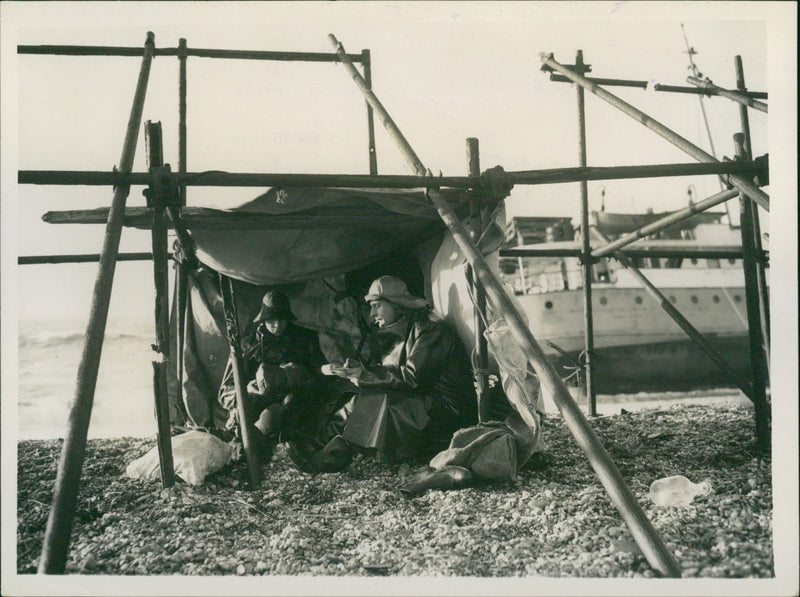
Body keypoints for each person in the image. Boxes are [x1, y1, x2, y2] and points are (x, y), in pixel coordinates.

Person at [289, 275, 478, 473]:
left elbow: (414, 379)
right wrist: (362, 371)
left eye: (377, 306)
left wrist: (366, 375)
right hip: (427, 399)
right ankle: (315, 444)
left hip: (448, 408)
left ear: (395, 303)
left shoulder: (431, 330)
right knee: (355, 394)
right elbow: (397, 371)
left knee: (376, 400)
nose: (372, 314)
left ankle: (329, 459)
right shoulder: (408, 327)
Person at [217, 289, 327, 462]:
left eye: (281, 319)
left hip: (297, 404)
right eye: (271, 320)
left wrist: (298, 375)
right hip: (259, 402)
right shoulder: (247, 345)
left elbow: (322, 376)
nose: (277, 325)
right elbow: (225, 391)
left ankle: (278, 447)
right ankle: (248, 448)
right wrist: (246, 388)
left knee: (285, 408)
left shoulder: (305, 339)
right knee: (247, 408)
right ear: (263, 319)